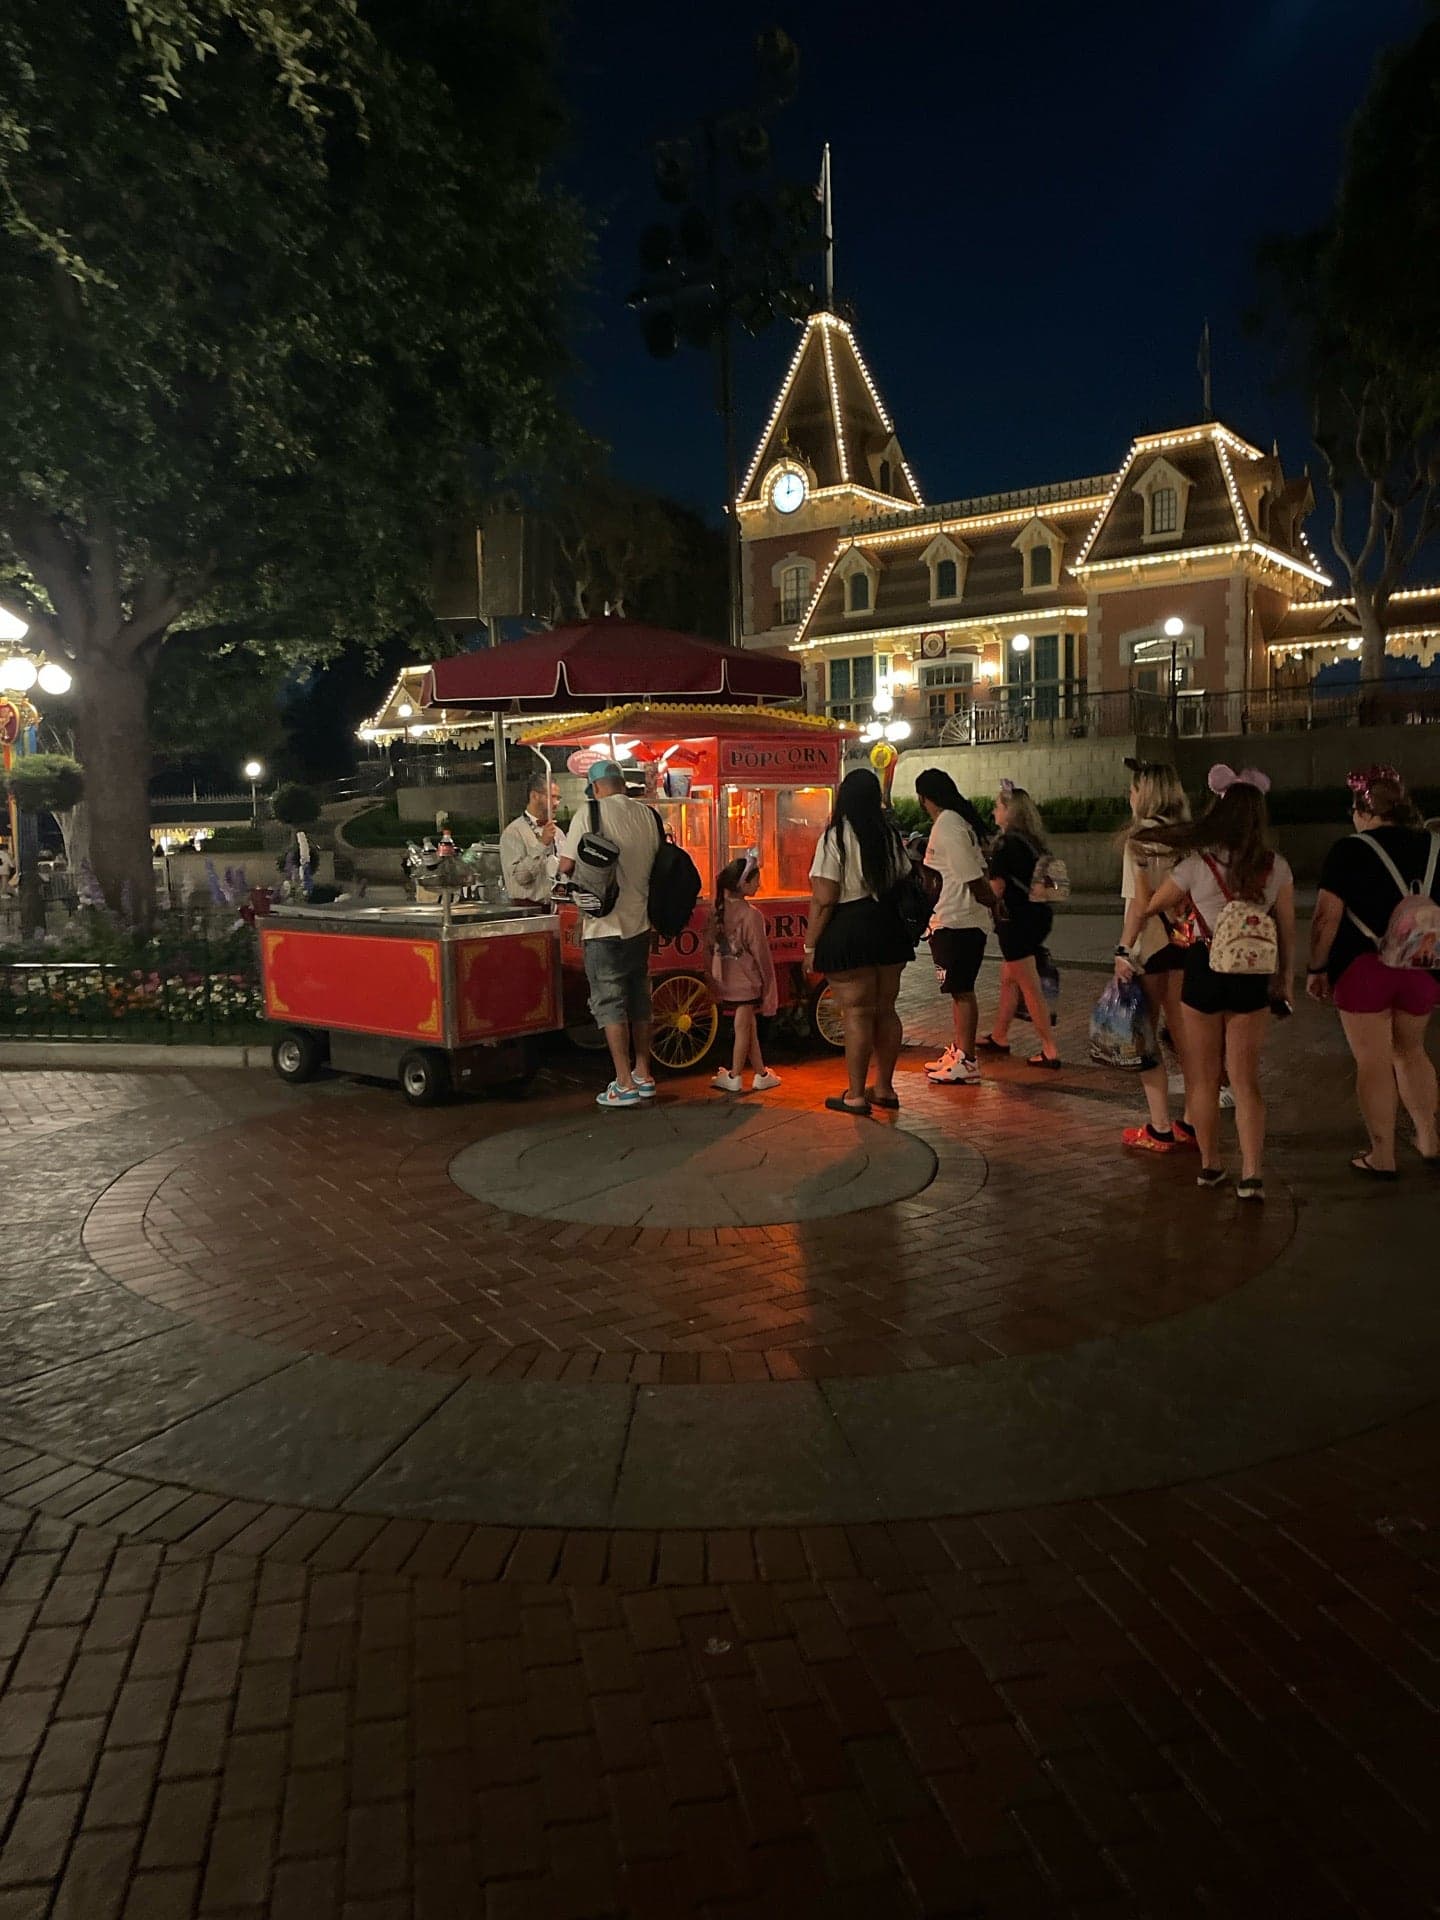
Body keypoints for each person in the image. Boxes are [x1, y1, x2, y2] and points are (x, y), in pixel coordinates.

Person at [1139, 765, 1295, 1200]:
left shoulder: (1196, 865)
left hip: (1204, 971)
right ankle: (1252, 1175)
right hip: (1253, 978)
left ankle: (1210, 1166)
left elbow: (1154, 904)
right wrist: (1286, 980)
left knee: (1205, 1079)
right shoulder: (1275, 867)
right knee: (1245, 1081)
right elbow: (1286, 928)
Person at [1305, 765, 1439, 1177]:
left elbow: (1327, 917)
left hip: (1364, 967)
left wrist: (1317, 967)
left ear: (1364, 811)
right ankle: (1430, 1140)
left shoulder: (1351, 849)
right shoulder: (1435, 847)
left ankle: (1382, 1154)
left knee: (1373, 1060)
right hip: (1423, 965)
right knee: (1412, 1052)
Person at [805, 767, 913, 1115]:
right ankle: (884, 1087)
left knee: (857, 1013)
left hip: (849, 929)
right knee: (886, 1010)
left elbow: (824, 896)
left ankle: (855, 1094)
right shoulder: (888, 835)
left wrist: (809, 945)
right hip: (888, 928)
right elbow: (904, 877)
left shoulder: (835, 837)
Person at [556, 759, 659, 1110]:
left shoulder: (590, 812)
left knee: (609, 1001)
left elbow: (567, 865)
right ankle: (644, 1073)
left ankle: (623, 1082)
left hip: (603, 925)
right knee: (638, 997)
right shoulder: (647, 814)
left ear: (596, 786)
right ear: (621, 783)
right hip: (640, 923)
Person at [1112, 758, 1196, 1152]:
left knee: (1146, 1037)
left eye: (1133, 789)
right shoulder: (1189, 837)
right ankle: (1193, 1122)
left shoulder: (1138, 840)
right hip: (1187, 943)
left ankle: (1159, 1126)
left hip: (1152, 946)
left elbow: (1139, 904)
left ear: (1144, 793)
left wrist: (1123, 950)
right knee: (1186, 1040)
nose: (1129, 796)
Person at [912, 768, 992, 1087]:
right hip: (953, 918)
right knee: (956, 990)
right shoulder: (954, 823)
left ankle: (968, 1060)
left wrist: (993, 905)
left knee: (961, 990)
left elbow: (972, 876)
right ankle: (960, 1051)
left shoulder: (949, 825)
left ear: (923, 798)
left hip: (958, 919)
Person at [976, 781, 1060, 1068]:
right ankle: (999, 1035)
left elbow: (996, 889)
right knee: (1009, 977)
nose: (993, 811)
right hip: (1038, 915)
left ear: (1009, 812)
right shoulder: (1034, 841)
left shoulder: (1005, 844)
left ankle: (1049, 1049)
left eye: (998, 806)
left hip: (1015, 921)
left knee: (1028, 985)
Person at [706, 851, 781, 1095]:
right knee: (743, 1028)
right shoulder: (752, 915)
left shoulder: (717, 911)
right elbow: (761, 954)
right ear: (744, 885)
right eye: (755, 880)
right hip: (747, 981)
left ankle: (761, 1074)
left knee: (748, 1027)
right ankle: (735, 1075)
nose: (759, 884)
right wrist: (769, 985)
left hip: (725, 979)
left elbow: (707, 949)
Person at [500, 770, 564, 905]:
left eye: (558, 798)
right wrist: (542, 844)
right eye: (552, 797)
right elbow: (521, 877)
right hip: (527, 910)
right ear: (535, 796)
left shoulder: (558, 832)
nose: (557, 802)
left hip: (557, 907)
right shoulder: (513, 832)